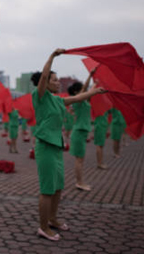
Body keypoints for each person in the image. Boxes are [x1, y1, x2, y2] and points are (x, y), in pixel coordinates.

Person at [31, 49, 105, 241]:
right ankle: (42, 227)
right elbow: (44, 75)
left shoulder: (57, 100)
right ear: (45, 83)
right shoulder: (40, 97)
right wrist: (52, 56)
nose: (57, 82)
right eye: (54, 80)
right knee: (47, 189)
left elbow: (78, 98)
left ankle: (53, 219)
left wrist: (95, 91)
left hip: (56, 147)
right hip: (45, 147)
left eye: (57, 80)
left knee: (58, 187)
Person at [68, 69, 96, 191]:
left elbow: (90, 91)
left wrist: (97, 82)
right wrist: (90, 75)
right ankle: (79, 183)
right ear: (76, 92)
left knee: (81, 159)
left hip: (81, 133)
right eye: (81, 91)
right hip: (78, 132)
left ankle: (80, 181)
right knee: (79, 160)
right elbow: (86, 90)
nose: (83, 92)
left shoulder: (84, 101)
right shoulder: (77, 102)